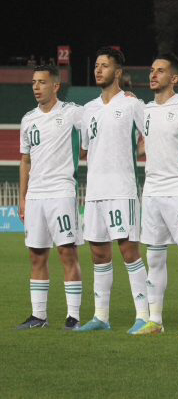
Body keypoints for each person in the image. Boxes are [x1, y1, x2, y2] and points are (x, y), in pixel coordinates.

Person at [131, 53, 178, 337]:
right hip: (152, 192)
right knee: (154, 258)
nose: (153, 75)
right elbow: (147, 145)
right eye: (152, 70)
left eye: (160, 71)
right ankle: (155, 321)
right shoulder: (146, 110)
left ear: (174, 78)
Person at [77, 47, 148, 333]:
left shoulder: (132, 104)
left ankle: (144, 316)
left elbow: (151, 136)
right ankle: (101, 317)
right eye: (96, 65)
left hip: (122, 189)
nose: (98, 70)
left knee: (129, 251)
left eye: (104, 65)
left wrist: (134, 153)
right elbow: (85, 149)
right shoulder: (88, 109)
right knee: (98, 254)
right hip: (95, 191)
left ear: (117, 72)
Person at [17, 65, 84, 330]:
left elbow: (99, 118)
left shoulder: (72, 112)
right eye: (34, 82)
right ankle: (39, 316)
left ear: (55, 86)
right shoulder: (28, 119)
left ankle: (73, 316)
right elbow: (25, 160)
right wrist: (23, 197)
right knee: (36, 255)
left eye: (42, 82)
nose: (36, 87)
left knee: (67, 253)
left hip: (61, 193)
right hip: (35, 196)